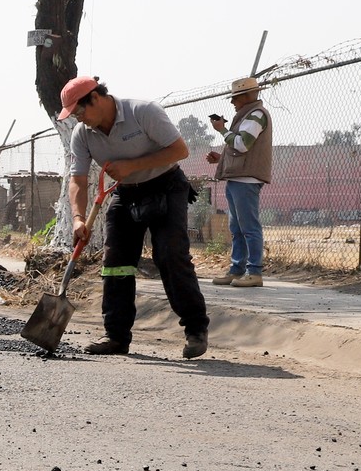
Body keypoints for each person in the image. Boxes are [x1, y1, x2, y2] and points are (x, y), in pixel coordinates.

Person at [60, 75, 209, 359]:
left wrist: (133, 166)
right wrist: (78, 218)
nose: (79, 120)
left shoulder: (143, 112)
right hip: (126, 193)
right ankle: (116, 336)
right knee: (115, 263)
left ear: (95, 98)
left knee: (170, 254)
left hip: (166, 186)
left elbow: (180, 150)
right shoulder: (83, 134)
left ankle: (196, 328)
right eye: (74, 116)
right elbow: (77, 179)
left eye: (80, 112)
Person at [207, 76, 273, 287]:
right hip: (238, 178)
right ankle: (237, 269)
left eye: (236, 98)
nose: (233, 102)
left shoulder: (255, 115)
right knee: (236, 227)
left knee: (249, 227)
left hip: (246, 181)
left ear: (247, 96)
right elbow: (240, 148)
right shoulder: (247, 116)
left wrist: (222, 130)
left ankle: (254, 272)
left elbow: (242, 144)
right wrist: (222, 158)